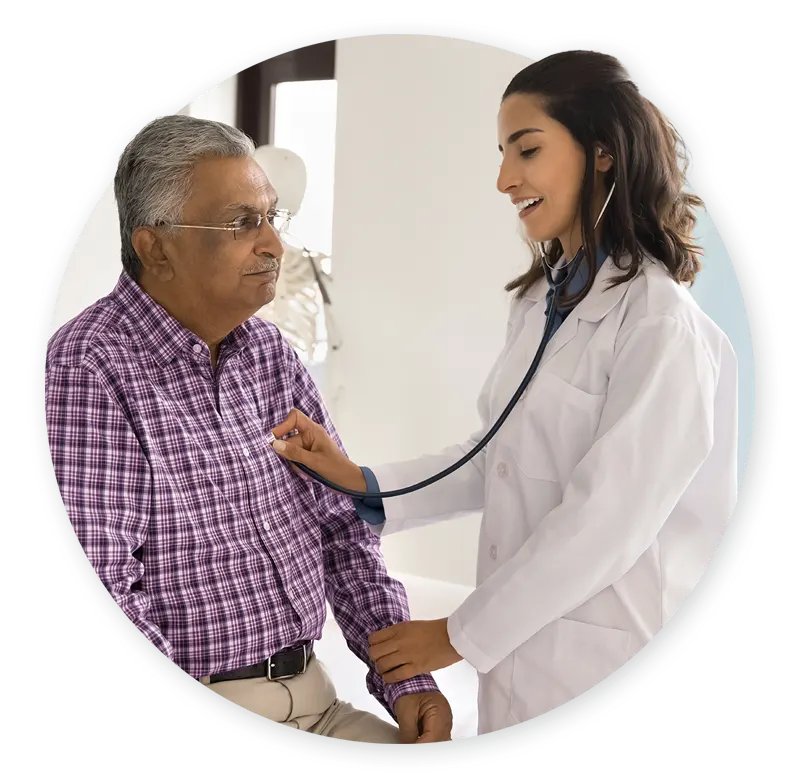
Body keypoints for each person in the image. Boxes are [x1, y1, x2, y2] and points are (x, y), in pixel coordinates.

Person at [269, 49, 739, 736]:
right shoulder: (544, 304)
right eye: (501, 153)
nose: (502, 179)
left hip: (604, 651)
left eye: (526, 150)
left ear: (603, 152)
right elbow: (496, 459)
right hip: (527, 657)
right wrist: (358, 481)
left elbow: (606, 522)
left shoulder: (662, 326)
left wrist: (458, 634)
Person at [44, 114, 453, 744]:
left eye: (271, 218)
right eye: (241, 223)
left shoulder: (269, 352)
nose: (274, 246)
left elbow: (343, 533)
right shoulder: (87, 369)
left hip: (318, 698)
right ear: (156, 246)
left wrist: (406, 681)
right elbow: (101, 598)